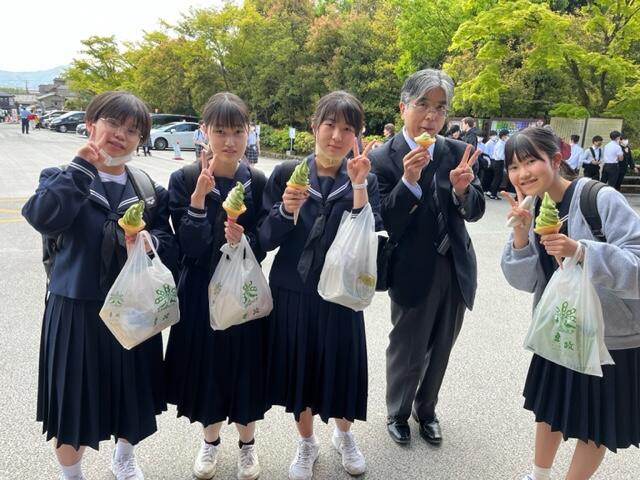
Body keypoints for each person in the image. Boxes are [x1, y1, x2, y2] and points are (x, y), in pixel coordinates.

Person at [21, 91, 178, 480]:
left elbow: (169, 242)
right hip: (75, 309)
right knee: (72, 403)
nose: (121, 135)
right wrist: (80, 168)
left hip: (134, 308)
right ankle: (71, 474)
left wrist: (150, 242)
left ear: (140, 140)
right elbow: (42, 217)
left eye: (132, 130)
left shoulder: (146, 188)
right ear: (91, 124)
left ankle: (124, 457)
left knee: (131, 394)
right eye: (112, 123)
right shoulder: (61, 175)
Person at [500, 126, 640, 480]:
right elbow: (524, 281)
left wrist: (582, 250)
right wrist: (520, 235)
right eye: (514, 166)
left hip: (610, 338)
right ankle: (538, 476)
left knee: (595, 425)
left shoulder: (599, 199)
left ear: (556, 159)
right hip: (560, 330)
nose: (522, 173)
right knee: (549, 409)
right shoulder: (531, 207)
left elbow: (637, 263)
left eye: (530, 162)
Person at [259, 90, 382, 480]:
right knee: (301, 370)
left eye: (348, 128)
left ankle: (344, 435)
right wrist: (285, 210)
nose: (337, 136)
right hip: (293, 291)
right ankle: (306, 441)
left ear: (357, 135)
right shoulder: (287, 174)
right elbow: (263, 239)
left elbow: (372, 236)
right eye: (330, 125)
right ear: (314, 126)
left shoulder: (365, 177)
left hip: (342, 293)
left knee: (341, 366)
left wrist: (359, 187)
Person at [369, 68, 485, 447]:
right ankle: (398, 411)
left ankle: (427, 409)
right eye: (423, 104)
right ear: (403, 106)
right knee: (408, 344)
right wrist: (408, 182)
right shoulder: (383, 158)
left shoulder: (455, 152)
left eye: (440, 108)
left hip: (455, 264)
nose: (431, 116)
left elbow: (475, 211)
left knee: (442, 345)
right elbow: (386, 221)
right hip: (411, 266)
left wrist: (463, 191)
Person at [165, 92, 268, 480]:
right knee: (208, 369)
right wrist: (197, 201)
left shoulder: (256, 180)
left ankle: (247, 444)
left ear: (248, 132)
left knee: (245, 368)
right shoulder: (184, 179)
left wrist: (245, 239)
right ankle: (209, 443)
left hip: (243, 290)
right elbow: (187, 248)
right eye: (220, 131)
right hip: (200, 291)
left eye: (238, 131)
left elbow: (264, 240)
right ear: (204, 131)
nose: (229, 141)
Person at [487, 129, 509, 199]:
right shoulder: (500, 144)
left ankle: (490, 192)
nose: (507, 137)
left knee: (496, 178)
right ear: (503, 136)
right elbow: (500, 156)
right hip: (498, 162)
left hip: (497, 162)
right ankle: (493, 194)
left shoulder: (501, 143)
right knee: (498, 179)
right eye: (507, 135)